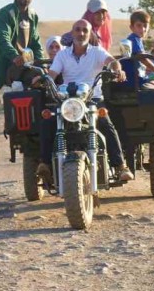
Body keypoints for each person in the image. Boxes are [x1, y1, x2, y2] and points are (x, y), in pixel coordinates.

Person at [48, 19, 133, 181]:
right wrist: (45, 78)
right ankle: (45, 165)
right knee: (48, 123)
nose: (81, 33)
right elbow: (52, 73)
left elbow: (112, 62)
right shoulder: (62, 54)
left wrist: (117, 70)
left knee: (106, 125)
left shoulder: (97, 51)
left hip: (92, 100)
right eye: (78, 30)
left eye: (85, 30)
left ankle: (121, 165)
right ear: (72, 33)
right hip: (68, 102)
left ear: (90, 34)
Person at [0, 0, 46, 89]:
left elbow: (36, 44)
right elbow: (2, 38)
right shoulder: (6, 13)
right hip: (9, 67)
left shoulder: (32, 15)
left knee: (46, 80)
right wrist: (15, 56)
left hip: (27, 66)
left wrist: (42, 64)